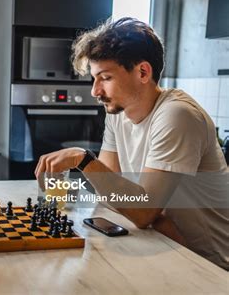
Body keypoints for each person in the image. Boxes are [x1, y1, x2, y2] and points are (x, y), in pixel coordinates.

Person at [35, 18, 228, 270]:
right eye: (94, 78)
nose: (95, 91)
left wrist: (82, 159)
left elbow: (142, 211)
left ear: (143, 72)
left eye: (105, 77)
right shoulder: (118, 113)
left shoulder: (177, 115)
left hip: (210, 266)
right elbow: (112, 196)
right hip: (162, 246)